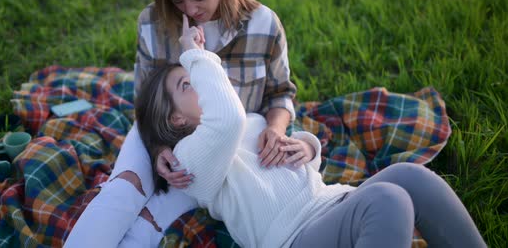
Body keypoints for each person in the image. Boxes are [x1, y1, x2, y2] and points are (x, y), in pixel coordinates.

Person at [134, 18, 487, 248]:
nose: (199, 78)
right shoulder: (190, 159)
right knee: (388, 201)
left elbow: (294, 171)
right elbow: (226, 119)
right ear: (177, 120)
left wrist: (305, 147)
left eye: (196, 73)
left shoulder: (252, 122)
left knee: (411, 178)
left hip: (329, 203)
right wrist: (195, 56)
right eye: (188, 82)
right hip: (294, 237)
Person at [65, 0, 298, 247]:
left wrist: (276, 127)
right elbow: (145, 98)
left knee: (156, 216)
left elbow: (281, 92)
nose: (189, 10)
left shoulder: (263, 24)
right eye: (178, 0)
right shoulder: (152, 21)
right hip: (160, 128)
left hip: (224, 146)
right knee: (124, 190)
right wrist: (158, 148)